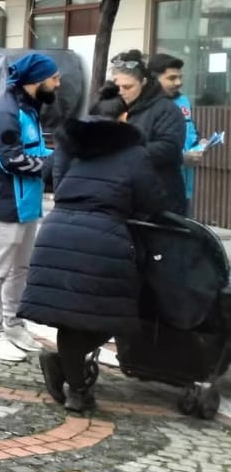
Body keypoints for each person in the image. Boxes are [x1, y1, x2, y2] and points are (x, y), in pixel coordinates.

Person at [19, 110, 169, 412]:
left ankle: (75, 387)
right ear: (121, 122)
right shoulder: (134, 154)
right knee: (116, 315)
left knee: (69, 316)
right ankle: (69, 375)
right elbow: (152, 202)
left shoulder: (70, 145)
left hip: (57, 232)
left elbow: (50, 177)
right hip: (104, 238)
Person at [0, 52, 61, 362]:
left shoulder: (29, 109)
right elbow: (12, 160)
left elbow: (35, 151)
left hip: (26, 203)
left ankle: (13, 325)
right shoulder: (6, 111)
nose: (58, 83)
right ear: (36, 80)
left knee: (20, 271)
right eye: (54, 78)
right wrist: (54, 165)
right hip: (2, 203)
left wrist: (58, 156)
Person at [109, 50, 187, 215]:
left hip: (160, 200)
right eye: (117, 87)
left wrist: (123, 150)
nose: (121, 91)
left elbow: (169, 149)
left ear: (143, 82)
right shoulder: (112, 107)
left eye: (128, 87)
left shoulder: (166, 109)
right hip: (122, 197)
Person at [150, 53, 201, 216]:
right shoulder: (146, 107)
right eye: (172, 78)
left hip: (184, 186)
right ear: (154, 79)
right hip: (158, 189)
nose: (178, 82)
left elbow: (190, 129)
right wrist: (181, 158)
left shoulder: (183, 101)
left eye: (180, 77)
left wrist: (199, 144)